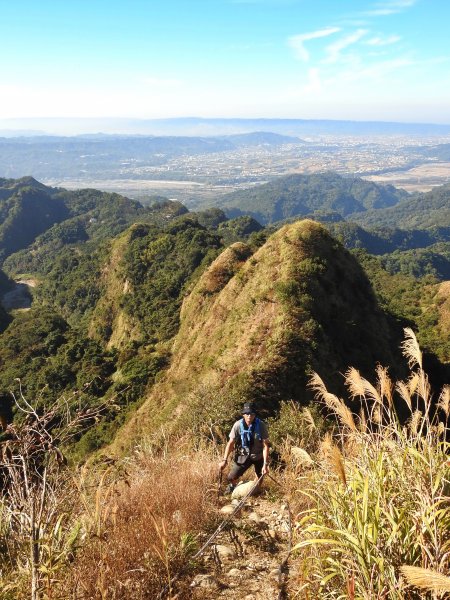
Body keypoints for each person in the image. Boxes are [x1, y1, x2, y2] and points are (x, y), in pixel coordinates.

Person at [219, 402, 270, 494]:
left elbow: (265, 445)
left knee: (260, 478)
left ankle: (254, 490)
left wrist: (265, 465)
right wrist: (224, 460)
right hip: (243, 455)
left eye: (252, 413)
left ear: (255, 414)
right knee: (231, 477)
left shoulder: (261, 425)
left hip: (258, 456)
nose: (249, 416)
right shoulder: (238, 425)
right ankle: (233, 486)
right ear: (243, 414)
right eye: (247, 413)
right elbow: (231, 443)